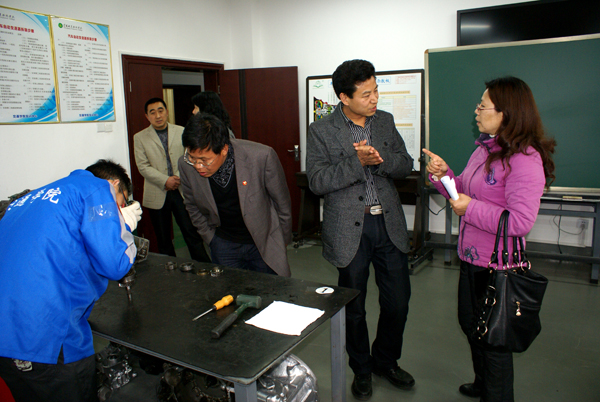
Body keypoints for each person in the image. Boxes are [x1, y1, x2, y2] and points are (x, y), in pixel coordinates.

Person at [423, 76, 556, 402]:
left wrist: (470, 208)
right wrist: (443, 176)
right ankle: (482, 384)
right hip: (472, 258)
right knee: (472, 325)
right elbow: (462, 191)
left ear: (506, 113)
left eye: (483, 106)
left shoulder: (525, 158)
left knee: (494, 340)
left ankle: (495, 394)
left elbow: (520, 221)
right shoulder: (485, 149)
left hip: (498, 266)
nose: (476, 110)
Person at [306, 59, 415, 400]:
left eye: (376, 91)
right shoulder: (321, 129)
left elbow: (405, 164)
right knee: (354, 307)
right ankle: (362, 369)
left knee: (398, 302)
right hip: (349, 229)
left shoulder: (385, 121)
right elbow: (317, 181)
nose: (374, 99)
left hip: (389, 224)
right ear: (344, 97)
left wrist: (380, 160)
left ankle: (386, 360)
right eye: (366, 94)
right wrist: (356, 163)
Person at [0, 159, 139, 402]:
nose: (119, 208)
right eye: (122, 201)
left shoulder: (28, 199)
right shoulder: (98, 188)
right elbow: (115, 264)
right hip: (48, 338)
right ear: (114, 184)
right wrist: (124, 227)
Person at [178, 112, 292, 276]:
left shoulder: (261, 157)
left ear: (224, 149)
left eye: (204, 160)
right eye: (192, 158)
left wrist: (282, 240)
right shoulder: (185, 165)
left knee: (269, 289)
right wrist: (211, 239)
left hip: (263, 242)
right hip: (223, 243)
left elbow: (282, 204)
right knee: (230, 289)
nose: (198, 166)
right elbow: (191, 205)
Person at [134, 97, 210, 262]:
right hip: (157, 191)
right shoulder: (140, 137)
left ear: (167, 112)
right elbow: (143, 166)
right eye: (152, 112)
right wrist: (165, 180)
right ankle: (170, 269)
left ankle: (204, 265)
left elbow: (189, 157)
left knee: (191, 232)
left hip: (181, 189)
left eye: (161, 110)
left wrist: (176, 178)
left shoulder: (182, 131)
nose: (158, 115)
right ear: (147, 116)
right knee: (163, 238)